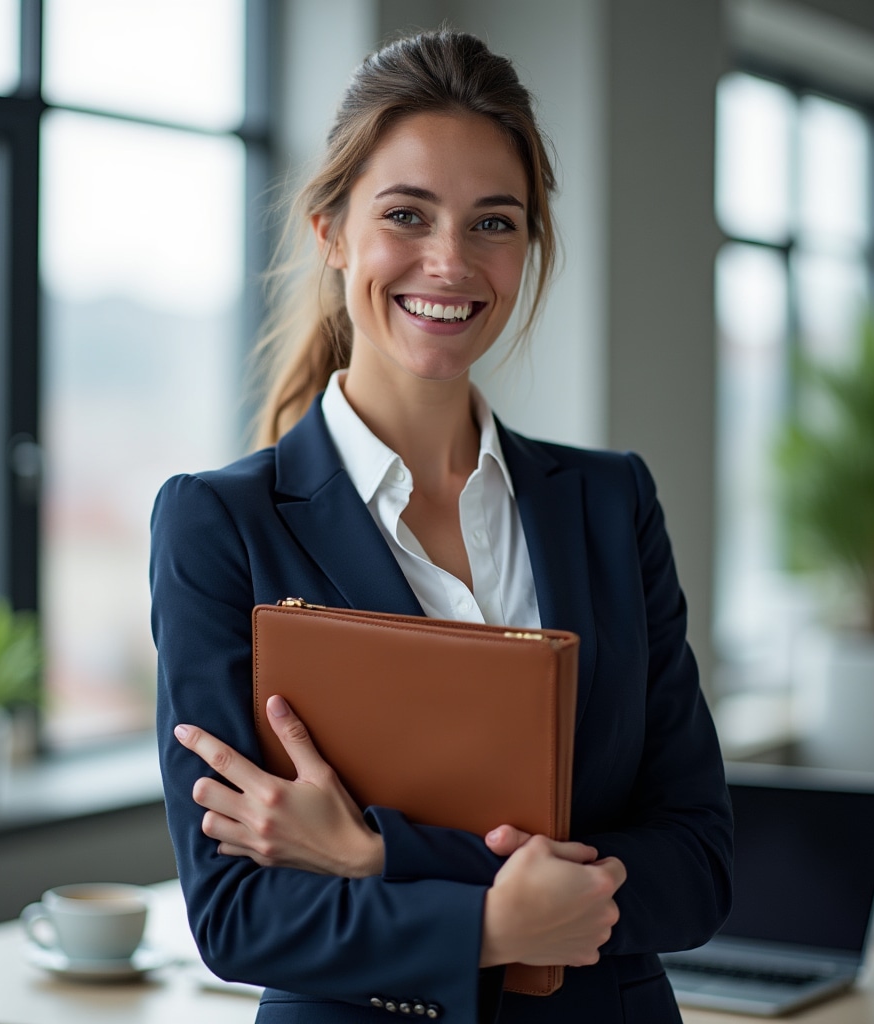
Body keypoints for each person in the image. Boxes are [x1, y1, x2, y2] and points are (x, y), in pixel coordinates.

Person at [151, 27, 733, 1024]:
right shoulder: (221, 526)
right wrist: (495, 927)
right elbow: (240, 912)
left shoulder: (611, 503)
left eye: (493, 222)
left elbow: (697, 865)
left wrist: (376, 855)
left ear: (530, 243)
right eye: (406, 215)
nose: (449, 261)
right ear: (331, 230)